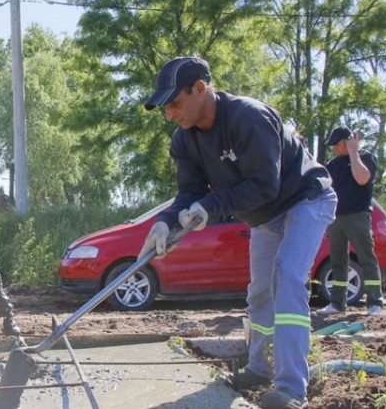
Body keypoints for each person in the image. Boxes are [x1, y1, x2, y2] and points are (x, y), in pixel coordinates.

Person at [139, 57, 337, 409]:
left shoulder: (248, 117)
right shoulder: (184, 140)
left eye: (174, 103)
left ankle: (292, 387)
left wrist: (210, 206)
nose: (170, 114)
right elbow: (189, 191)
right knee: (260, 293)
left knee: (288, 277)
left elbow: (265, 186)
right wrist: (166, 221)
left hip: (304, 200)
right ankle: (259, 368)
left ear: (200, 89)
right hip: (265, 217)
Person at [317, 126, 384, 316]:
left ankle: (375, 302)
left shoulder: (365, 157)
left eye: (337, 145)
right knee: (337, 261)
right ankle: (337, 303)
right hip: (336, 218)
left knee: (366, 257)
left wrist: (354, 152)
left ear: (348, 141)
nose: (334, 149)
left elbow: (362, 179)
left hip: (357, 216)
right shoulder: (333, 164)